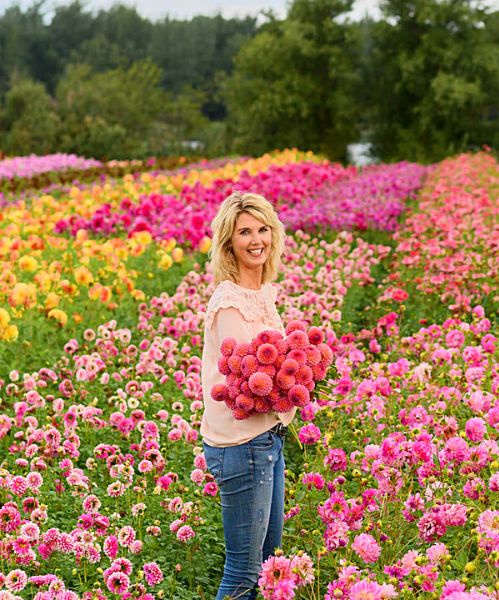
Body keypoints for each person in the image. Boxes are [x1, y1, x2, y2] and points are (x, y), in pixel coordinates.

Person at [200, 191, 294, 600]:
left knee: (270, 564)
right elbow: (246, 385)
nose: (256, 240)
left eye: (262, 229)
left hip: (268, 438)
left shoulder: (262, 293)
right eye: (244, 232)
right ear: (229, 243)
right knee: (244, 571)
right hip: (243, 445)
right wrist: (295, 382)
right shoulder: (229, 302)